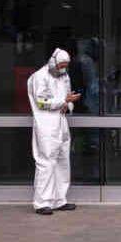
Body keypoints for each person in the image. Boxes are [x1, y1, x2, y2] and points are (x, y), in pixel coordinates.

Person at [28, 48, 81, 215]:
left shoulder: (64, 76)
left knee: (63, 161)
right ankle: (42, 202)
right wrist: (63, 101)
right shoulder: (39, 77)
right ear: (53, 62)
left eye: (66, 65)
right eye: (61, 65)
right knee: (46, 162)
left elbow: (68, 96)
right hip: (46, 124)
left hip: (61, 122)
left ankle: (59, 200)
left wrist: (68, 105)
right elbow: (41, 102)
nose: (63, 68)